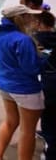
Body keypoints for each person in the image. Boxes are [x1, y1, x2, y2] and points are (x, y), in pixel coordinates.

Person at [0, 5, 44, 160]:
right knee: (28, 130)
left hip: (5, 85)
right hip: (25, 89)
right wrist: (44, 59)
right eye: (29, 15)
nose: (32, 19)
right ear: (20, 18)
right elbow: (31, 69)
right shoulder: (23, 39)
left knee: (10, 121)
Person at [33, 11, 56, 160]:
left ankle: (51, 153)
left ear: (39, 24)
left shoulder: (34, 41)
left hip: (48, 85)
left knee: (48, 119)